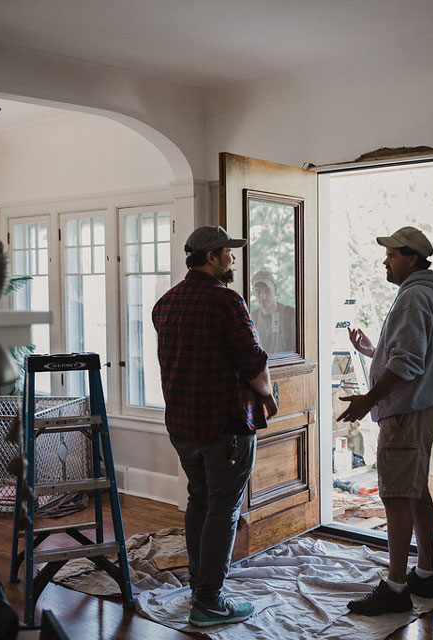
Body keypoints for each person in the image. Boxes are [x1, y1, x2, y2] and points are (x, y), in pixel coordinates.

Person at [152, 225, 278, 628]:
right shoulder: (227, 302)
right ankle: (209, 600)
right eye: (228, 252)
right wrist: (269, 395)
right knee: (222, 507)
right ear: (211, 257)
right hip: (225, 426)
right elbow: (253, 361)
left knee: (200, 500)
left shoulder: (165, 303)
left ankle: (199, 587)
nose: (233, 259)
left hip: (183, 425)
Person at [337, 225, 433, 615]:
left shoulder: (414, 297)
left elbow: (407, 364)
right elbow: (408, 358)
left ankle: (396, 589)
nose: (385, 261)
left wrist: (367, 400)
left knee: (396, 497)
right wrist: (374, 351)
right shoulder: (427, 296)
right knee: (417, 489)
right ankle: (424, 574)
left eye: (391, 255)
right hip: (418, 409)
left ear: (412, 258)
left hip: (405, 415)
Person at [249, 270, 297, 355]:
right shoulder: (252, 318)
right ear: (253, 293)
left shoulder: (290, 315)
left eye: (267, 291)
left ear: (275, 289)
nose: (263, 296)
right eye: (258, 292)